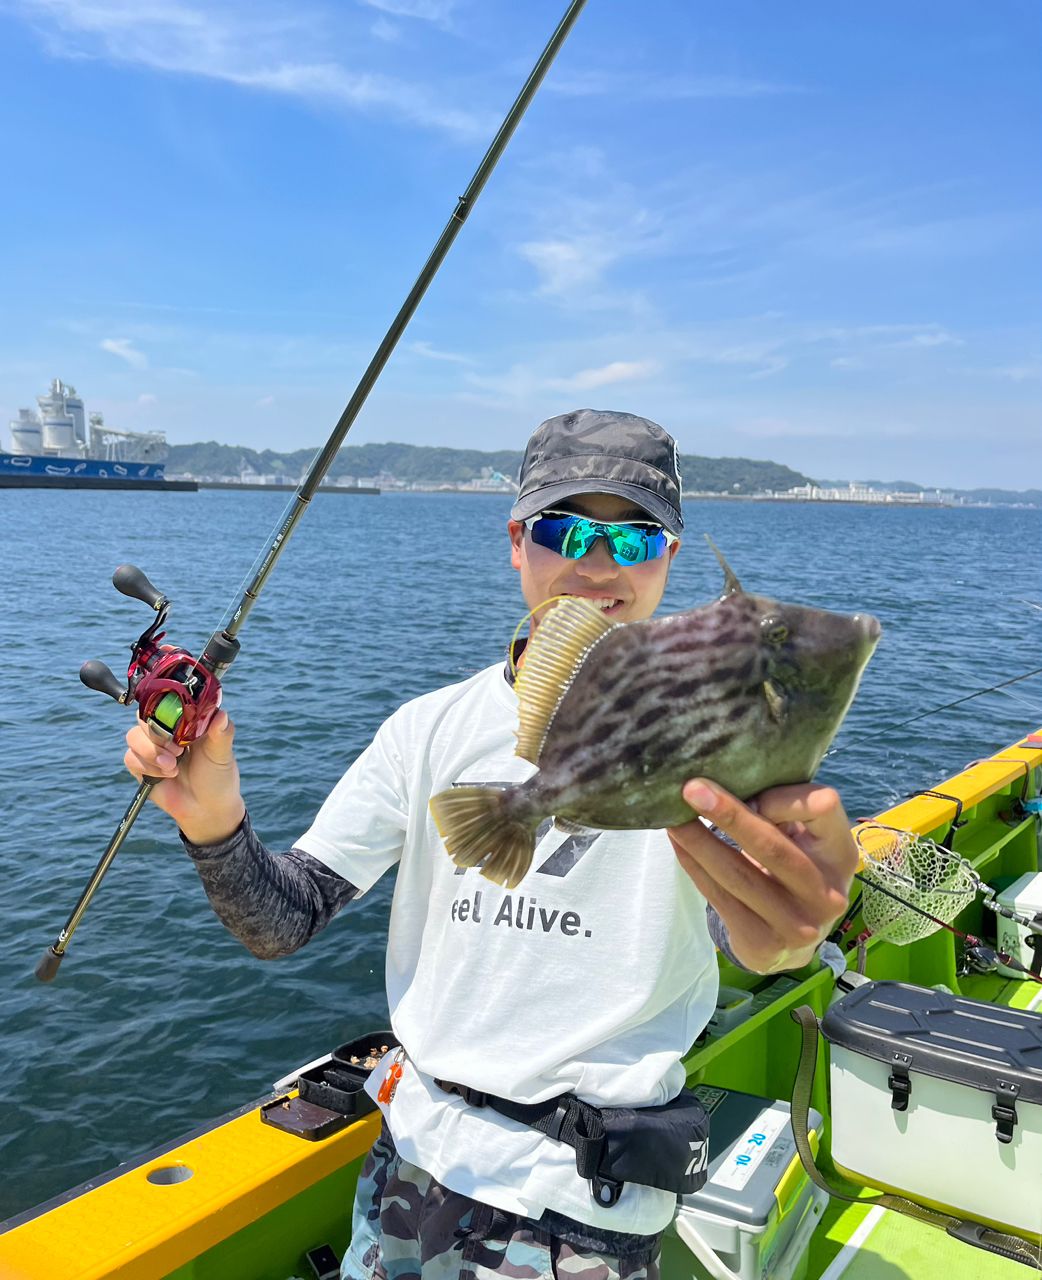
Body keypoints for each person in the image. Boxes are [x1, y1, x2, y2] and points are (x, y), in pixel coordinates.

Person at [124, 408, 857, 1280]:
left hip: (586, 1209)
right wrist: (214, 824)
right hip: (409, 1169)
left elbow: (758, 934)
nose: (595, 563)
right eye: (564, 529)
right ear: (517, 541)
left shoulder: (729, 737)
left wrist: (793, 935)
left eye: (635, 540)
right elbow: (284, 920)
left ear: (671, 557)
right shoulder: (428, 728)